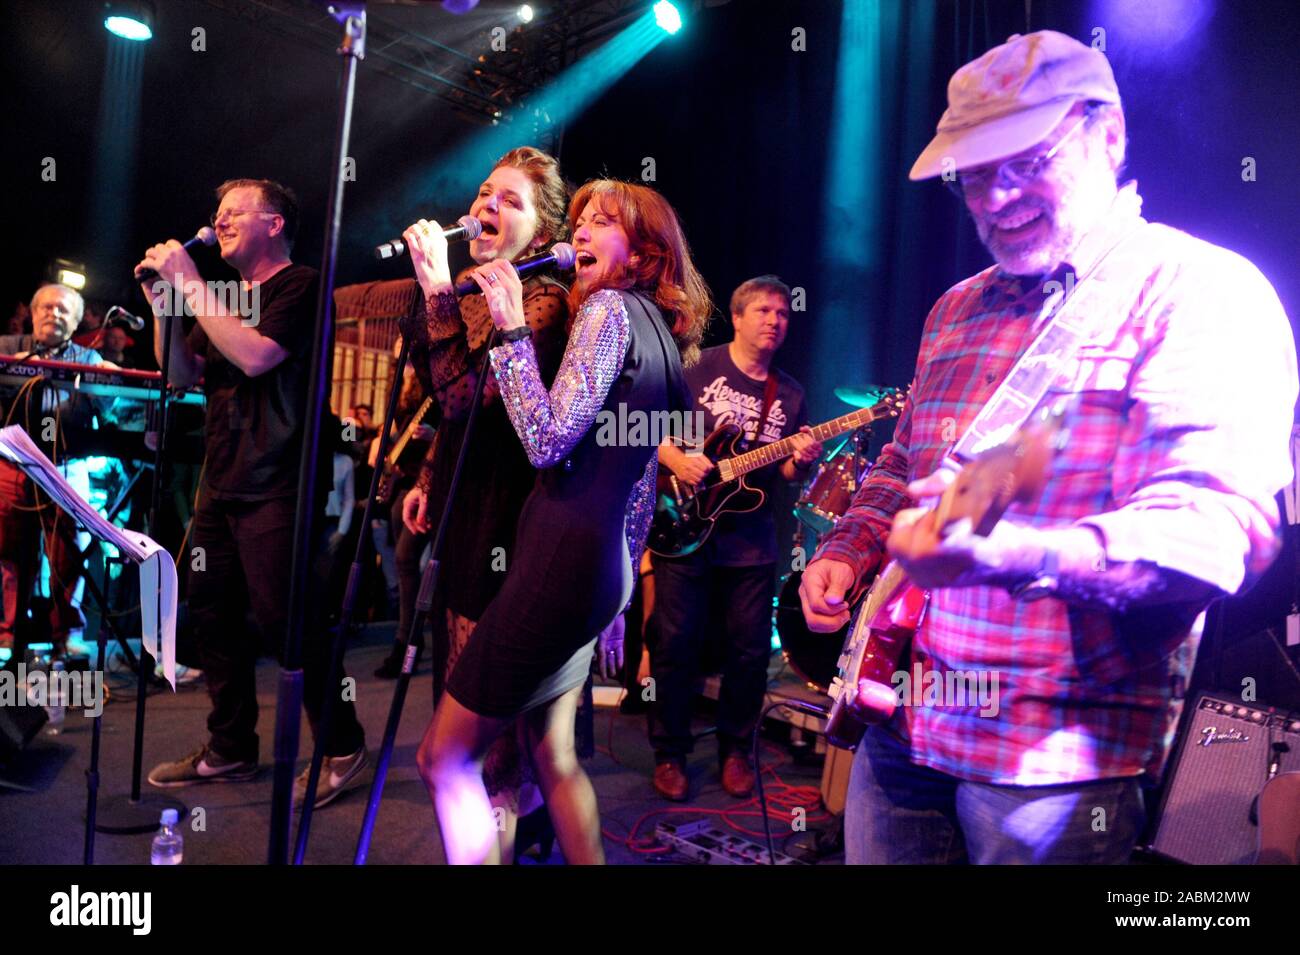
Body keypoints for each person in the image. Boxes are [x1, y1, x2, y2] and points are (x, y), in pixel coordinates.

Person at [799, 30, 1298, 864]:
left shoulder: (1201, 289)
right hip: (903, 716)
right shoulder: (953, 308)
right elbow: (908, 459)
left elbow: (1213, 534)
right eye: (974, 173)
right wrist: (850, 548)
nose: (995, 197)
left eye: (1025, 160)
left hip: (1055, 759)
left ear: (1109, 135)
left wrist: (1010, 552)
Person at [415, 179, 710, 864]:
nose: (579, 232)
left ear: (643, 254)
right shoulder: (661, 336)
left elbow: (545, 440)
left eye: (602, 222)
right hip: (596, 574)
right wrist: (620, 589)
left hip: (558, 566)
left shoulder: (607, 309)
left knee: (443, 758)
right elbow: (639, 481)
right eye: (578, 220)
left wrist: (511, 323)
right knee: (552, 753)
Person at [139, 177, 368, 809]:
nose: (219, 220)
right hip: (224, 475)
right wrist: (166, 305)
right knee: (210, 608)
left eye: (235, 211)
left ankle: (342, 743)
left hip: (280, 478)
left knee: (285, 618)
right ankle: (231, 745)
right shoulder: (223, 296)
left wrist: (188, 282)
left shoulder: (300, 284)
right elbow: (183, 374)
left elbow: (258, 356)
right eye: (217, 212)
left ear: (273, 224)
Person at [395, 146, 572, 860]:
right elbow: (451, 413)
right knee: (484, 698)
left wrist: (438, 286)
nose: (487, 206)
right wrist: (428, 477)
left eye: (511, 200)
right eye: (484, 193)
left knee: (484, 726)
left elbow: (472, 397)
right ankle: (518, 835)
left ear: (543, 227)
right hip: (465, 508)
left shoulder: (546, 304)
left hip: (511, 520)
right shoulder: (474, 291)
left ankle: (501, 837)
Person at [646, 274, 821, 800]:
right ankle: (670, 754)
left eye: (783, 313)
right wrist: (676, 458)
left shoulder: (789, 394)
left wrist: (800, 462)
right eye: (764, 311)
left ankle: (735, 751)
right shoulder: (698, 365)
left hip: (750, 541)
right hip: (683, 523)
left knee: (748, 653)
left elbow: (788, 477)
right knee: (675, 643)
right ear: (739, 316)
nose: (775, 320)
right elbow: (642, 421)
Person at [0, 284, 114, 660]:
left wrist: (109, 378)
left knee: (68, 554)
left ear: (78, 320)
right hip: (12, 466)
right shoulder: (6, 347)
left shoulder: (90, 359)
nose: (54, 314)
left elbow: (106, 403)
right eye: (47, 307)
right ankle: (7, 639)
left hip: (66, 468)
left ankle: (67, 636)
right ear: (33, 313)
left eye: (64, 310)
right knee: (11, 557)